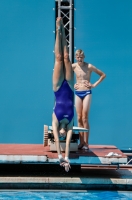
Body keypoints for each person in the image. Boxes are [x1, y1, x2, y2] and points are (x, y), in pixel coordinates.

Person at [72, 49, 106, 150]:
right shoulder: (73, 66)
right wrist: (72, 83)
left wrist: (94, 84)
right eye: (78, 57)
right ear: (75, 57)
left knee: (85, 117)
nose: (79, 59)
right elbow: (65, 74)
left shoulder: (89, 66)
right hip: (78, 92)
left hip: (87, 92)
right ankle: (81, 142)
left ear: (84, 57)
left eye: (81, 57)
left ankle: (86, 143)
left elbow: (103, 75)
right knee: (78, 118)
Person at [52, 17, 74, 172]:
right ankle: (63, 31)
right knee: (66, 57)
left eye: (60, 136)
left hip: (59, 87)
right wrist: (67, 158)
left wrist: (60, 157)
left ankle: (58, 28)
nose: (62, 135)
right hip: (71, 87)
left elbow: (61, 144)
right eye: (63, 135)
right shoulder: (71, 123)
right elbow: (67, 143)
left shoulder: (55, 120)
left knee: (59, 58)